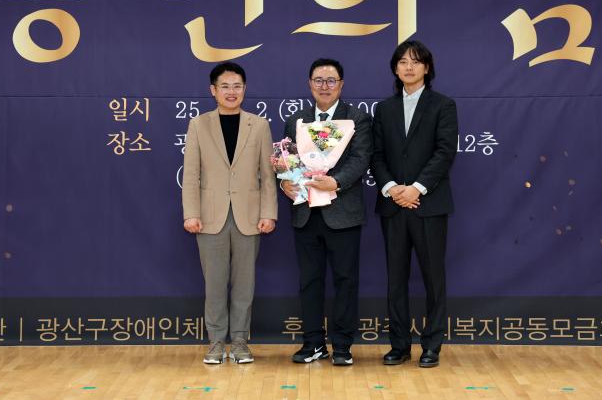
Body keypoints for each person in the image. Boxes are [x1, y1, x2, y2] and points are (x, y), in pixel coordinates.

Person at [182, 62, 277, 364]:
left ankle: (239, 342)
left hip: (250, 216)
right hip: (210, 217)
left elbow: (268, 175)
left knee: (244, 285)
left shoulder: (259, 126)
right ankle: (215, 342)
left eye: (237, 86)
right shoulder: (199, 125)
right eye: (225, 86)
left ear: (244, 89)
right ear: (213, 90)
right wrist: (191, 213)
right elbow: (191, 175)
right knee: (214, 283)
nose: (231, 92)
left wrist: (269, 213)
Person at [371, 40, 458, 368]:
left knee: (434, 278)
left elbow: (444, 152)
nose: (409, 67)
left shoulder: (443, 105)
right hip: (393, 205)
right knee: (396, 279)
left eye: (416, 61)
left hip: (429, 205)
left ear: (427, 68)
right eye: (403, 62)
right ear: (395, 69)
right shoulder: (384, 109)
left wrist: (417, 189)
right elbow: (376, 155)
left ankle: (432, 345)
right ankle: (399, 345)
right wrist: (393, 188)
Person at [281, 58, 372, 366]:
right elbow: (288, 161)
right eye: (318, 80)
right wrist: (285, 182)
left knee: (346, 280)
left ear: (341, 85)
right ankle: (313, 343)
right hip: (306, 212)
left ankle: (343, 345)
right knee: (309, 281)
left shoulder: (357, 118)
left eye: (331, 80)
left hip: (342, 213)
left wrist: (337, 182)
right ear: (309, 84)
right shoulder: (296, 120)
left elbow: (360, 158)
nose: (324, 86)